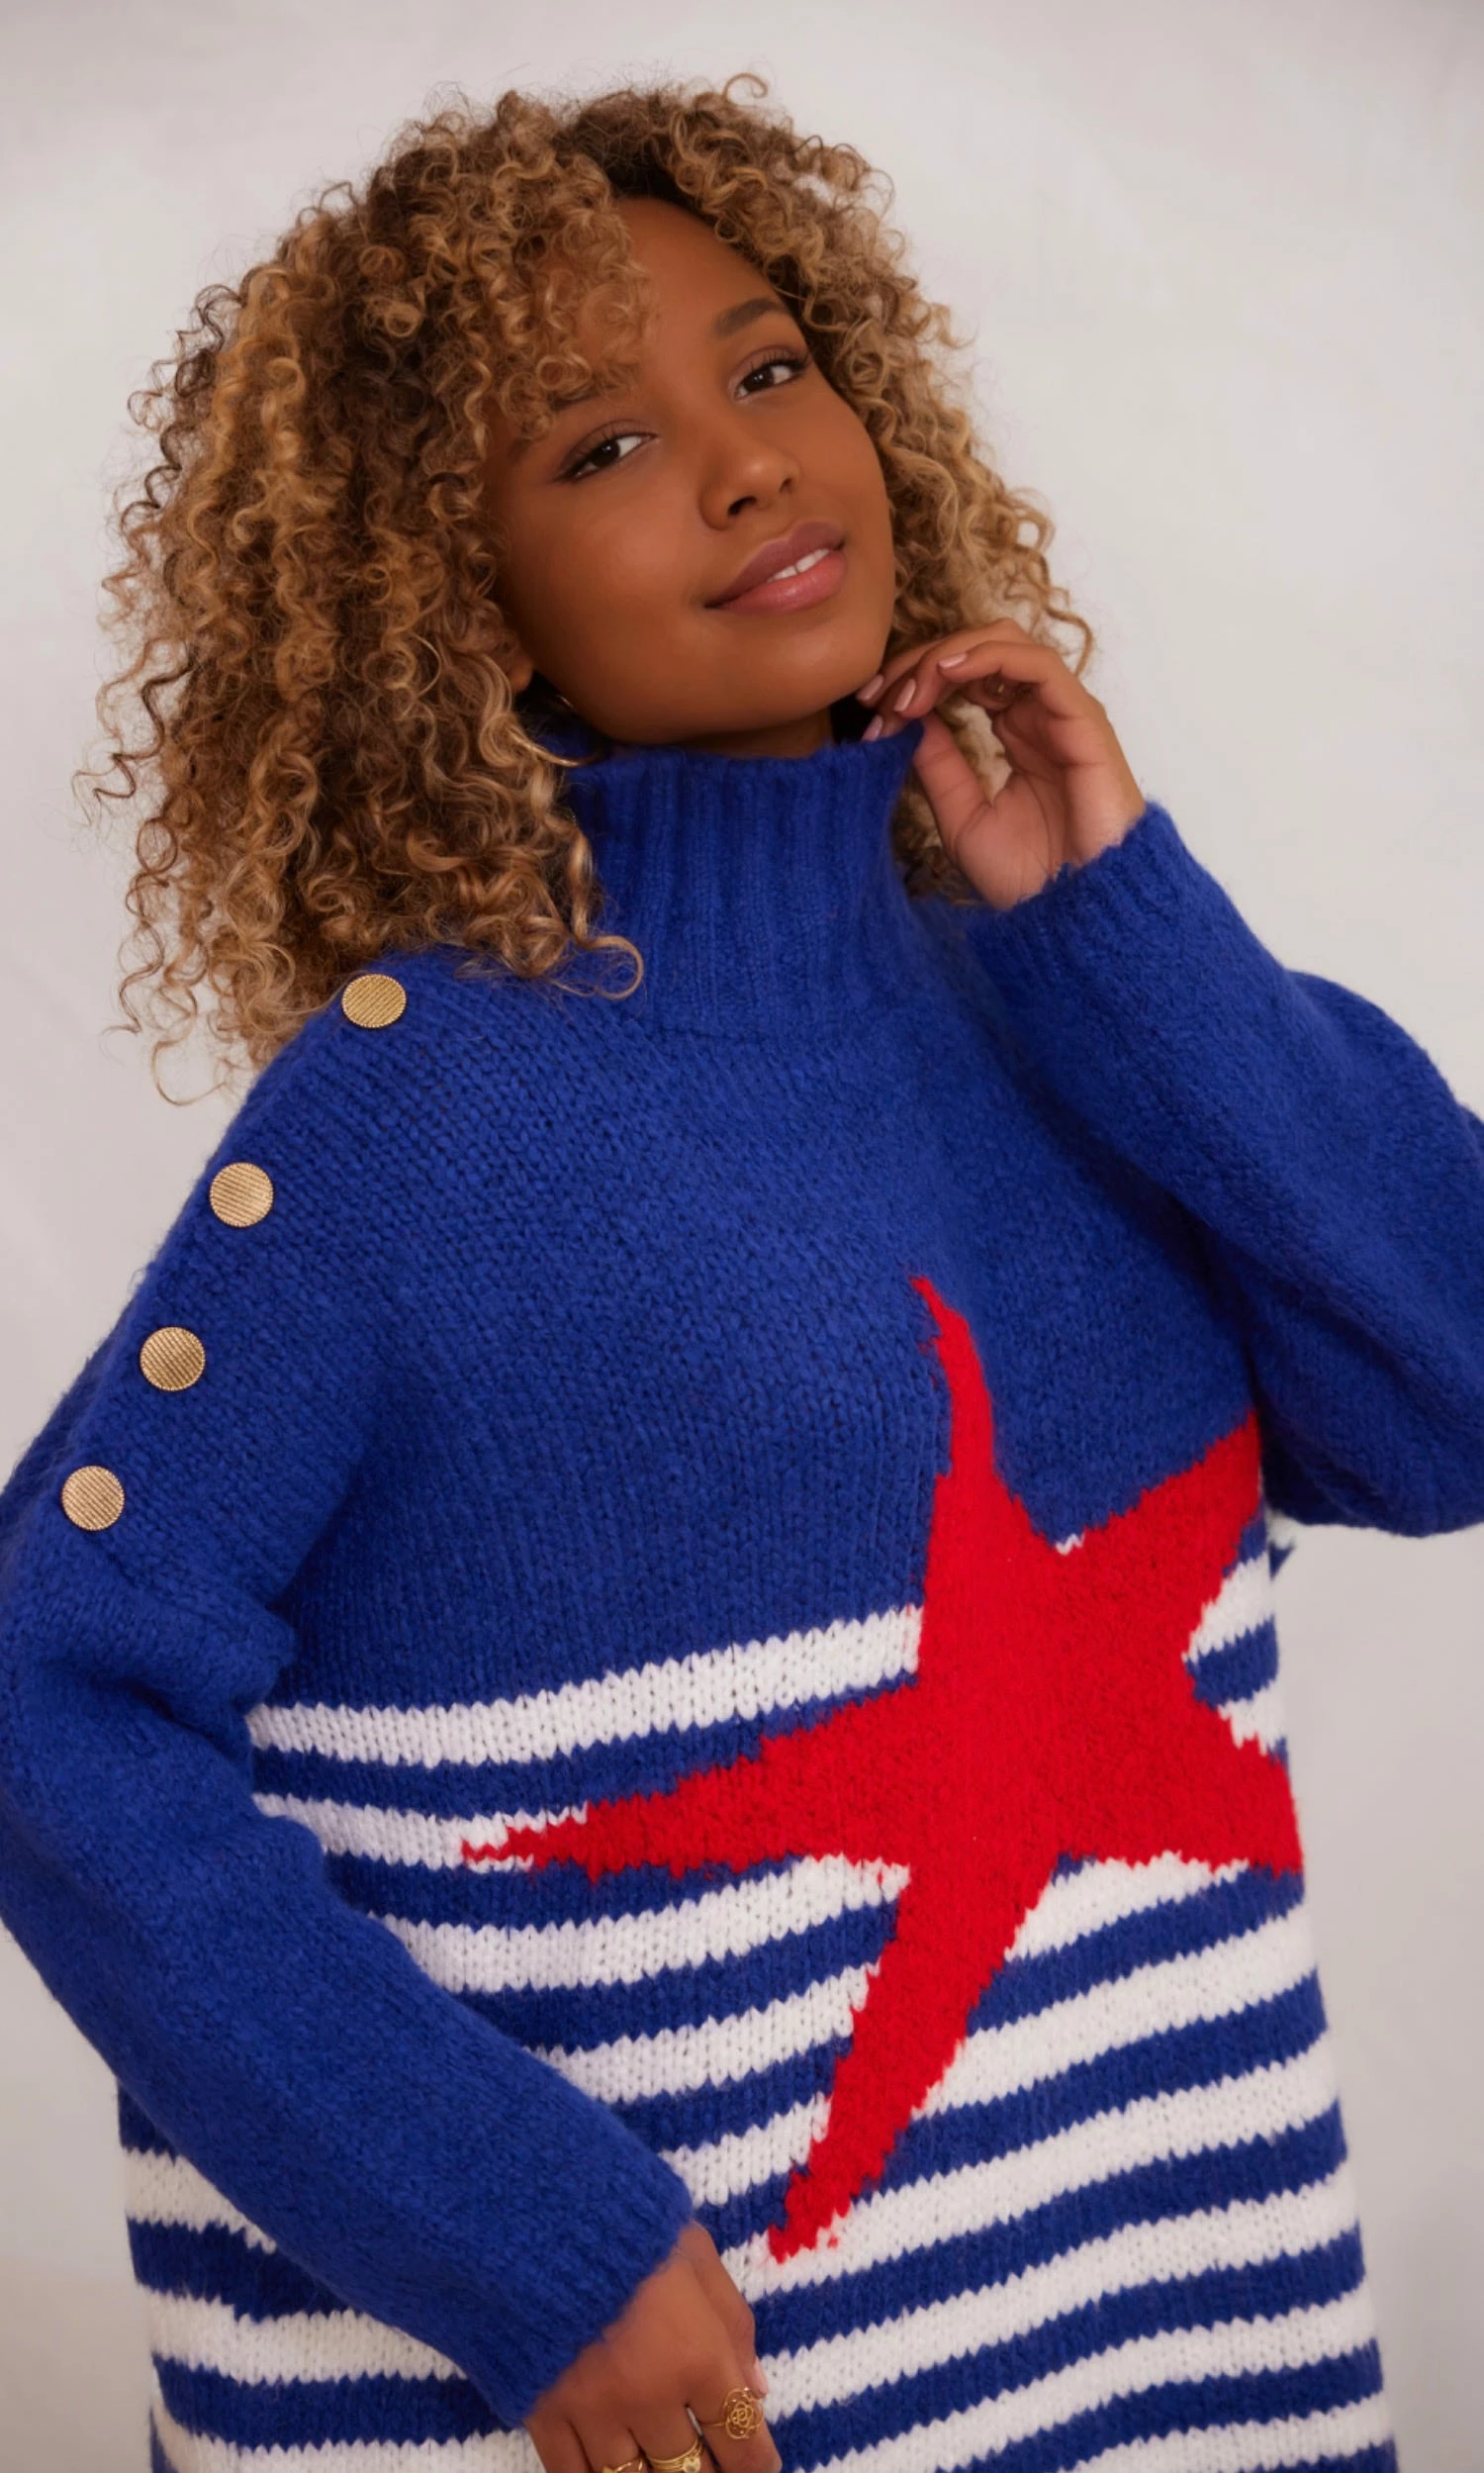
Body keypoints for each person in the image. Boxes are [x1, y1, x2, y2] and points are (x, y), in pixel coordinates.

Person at [0, 71, 1478, 2473]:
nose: (747, 460)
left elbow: (1449, 1402)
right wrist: (512, 2233)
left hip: (1165, 2358)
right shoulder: (420, 1114)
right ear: (451, 600)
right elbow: (45, 1693)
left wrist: (1132, 922)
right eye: (600, 445)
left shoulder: (1074, 998)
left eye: (772, 365)